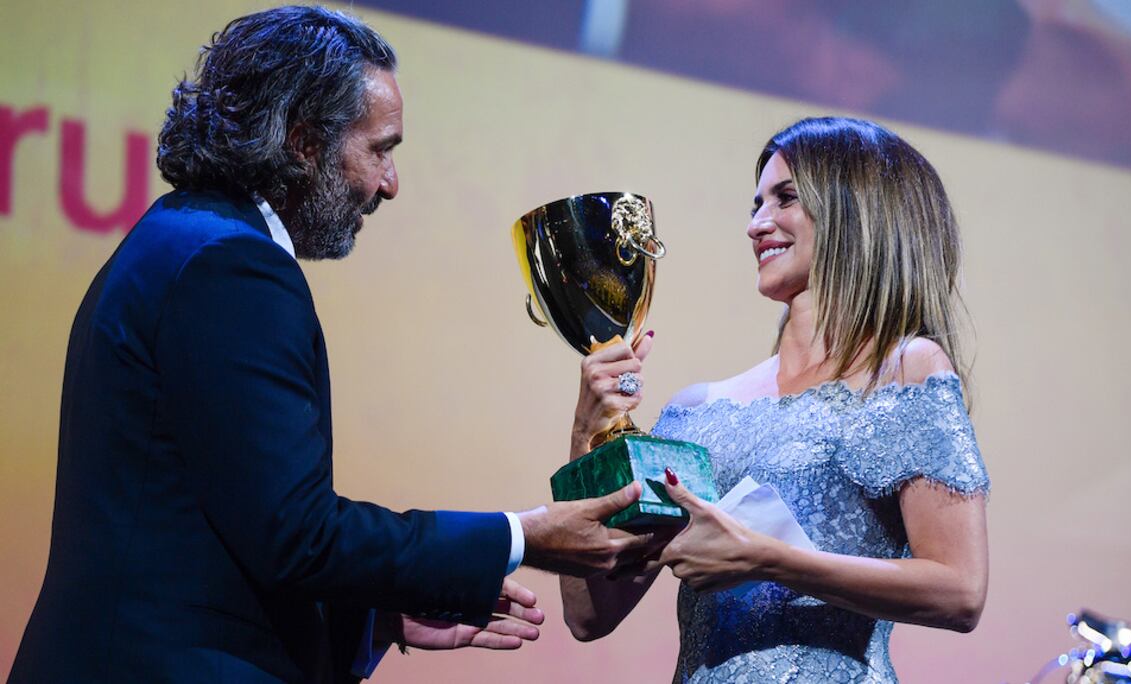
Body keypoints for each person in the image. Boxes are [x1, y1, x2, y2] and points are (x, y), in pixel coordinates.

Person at [9, 7, 654, 683]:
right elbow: (297, 534)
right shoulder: (232, 265)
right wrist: (522, 536)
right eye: (380, 149)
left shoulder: (183, 236)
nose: (389, 184)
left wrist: (370, 619)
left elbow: (219, 534)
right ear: (304, 143)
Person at [561, 117, 990, 682]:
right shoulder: (697, 411)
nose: (756, 224)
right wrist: (587, 435)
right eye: (756, 204)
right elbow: (590, 614)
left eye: (786, 198)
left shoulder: (905, 370)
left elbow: (960, 591)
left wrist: (767, 558)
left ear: (856, 210)